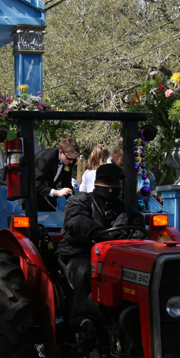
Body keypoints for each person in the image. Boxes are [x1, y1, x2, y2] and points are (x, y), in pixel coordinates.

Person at [57, 163, 145, 334]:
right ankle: (81, 323)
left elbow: (138, 233)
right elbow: (76, 221)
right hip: (79, 253)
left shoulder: (128, 211)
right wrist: (98, 233)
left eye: (116, 181)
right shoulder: (81, 200)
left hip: (115, 261)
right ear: (97, 182)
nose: (112, 185)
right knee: (84, 270)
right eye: (107, 180)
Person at [35, 138, 79, 211]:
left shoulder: (70, 161)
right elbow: (36, 184)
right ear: (61, 152)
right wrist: (57, 192)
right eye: (69, 158)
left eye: (74, 159)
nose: (72, 162)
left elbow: (66, 182)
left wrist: (71, 199)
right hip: (33, 196)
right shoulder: (44, 159)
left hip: (50, 195)